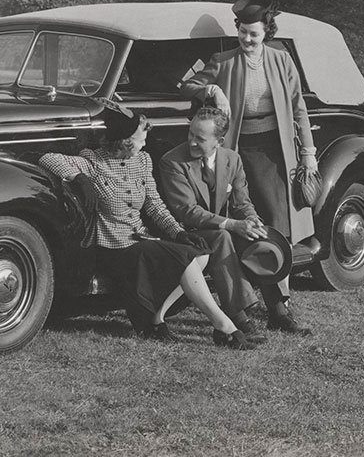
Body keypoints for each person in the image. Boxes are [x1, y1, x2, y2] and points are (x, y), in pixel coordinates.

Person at [38, 100, 260, 350]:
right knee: (184, 260)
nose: (146, 141)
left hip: (140, 239)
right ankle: (224, 326)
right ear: (126, 140)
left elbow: (154, 206)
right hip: (112, 246)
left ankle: (155, 320)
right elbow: (48, 158)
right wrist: (78, 177)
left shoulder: (143, 161)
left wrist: (177, 232)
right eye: (142, 136)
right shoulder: (93, 161)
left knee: (199, 256)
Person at [181, 0, 321, 334]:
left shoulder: (282, 61)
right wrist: (212, 87)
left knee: (276, 226)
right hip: (236, 152)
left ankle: (280, 309)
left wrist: (309, 153)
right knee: (243, 223)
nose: (247, 40)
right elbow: (187, 84)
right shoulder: (223, 61)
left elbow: (299, 108)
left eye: (254, 34)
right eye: (243, 33)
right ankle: (246, 306)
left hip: (276, 153)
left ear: (266, 33)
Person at [158, 106, 267, 335]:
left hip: (219, 229)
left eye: (200, 138)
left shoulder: (232, 159)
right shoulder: (172, 162)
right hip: (185, 232)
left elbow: (241, 202)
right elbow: (186, 211)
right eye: (190, 134)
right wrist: (233, 224)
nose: (192, 142)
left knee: (265, 234)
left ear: (219, 140)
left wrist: (251, 220)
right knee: (223, 236)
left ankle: (279, 312)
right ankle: (238, 315)